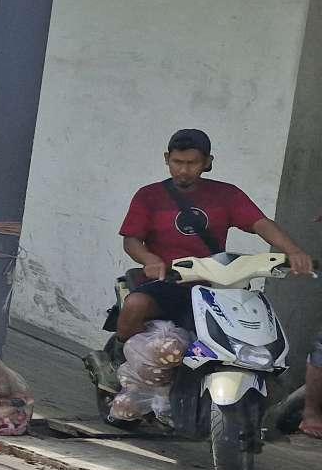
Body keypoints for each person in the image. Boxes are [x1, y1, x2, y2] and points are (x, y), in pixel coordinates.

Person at [113, 129, 312, 344]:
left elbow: (260, 224)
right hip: (167, 282)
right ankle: (118, 353)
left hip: (216, 285)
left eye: (192, 163)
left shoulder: (227, 194)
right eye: (177, 162)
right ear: (166, 159)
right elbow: (131, 240)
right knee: (135, 306)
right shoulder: (148, 196)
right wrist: (149, 259)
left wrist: (293, 251)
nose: (183, 170)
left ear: (208, 162)